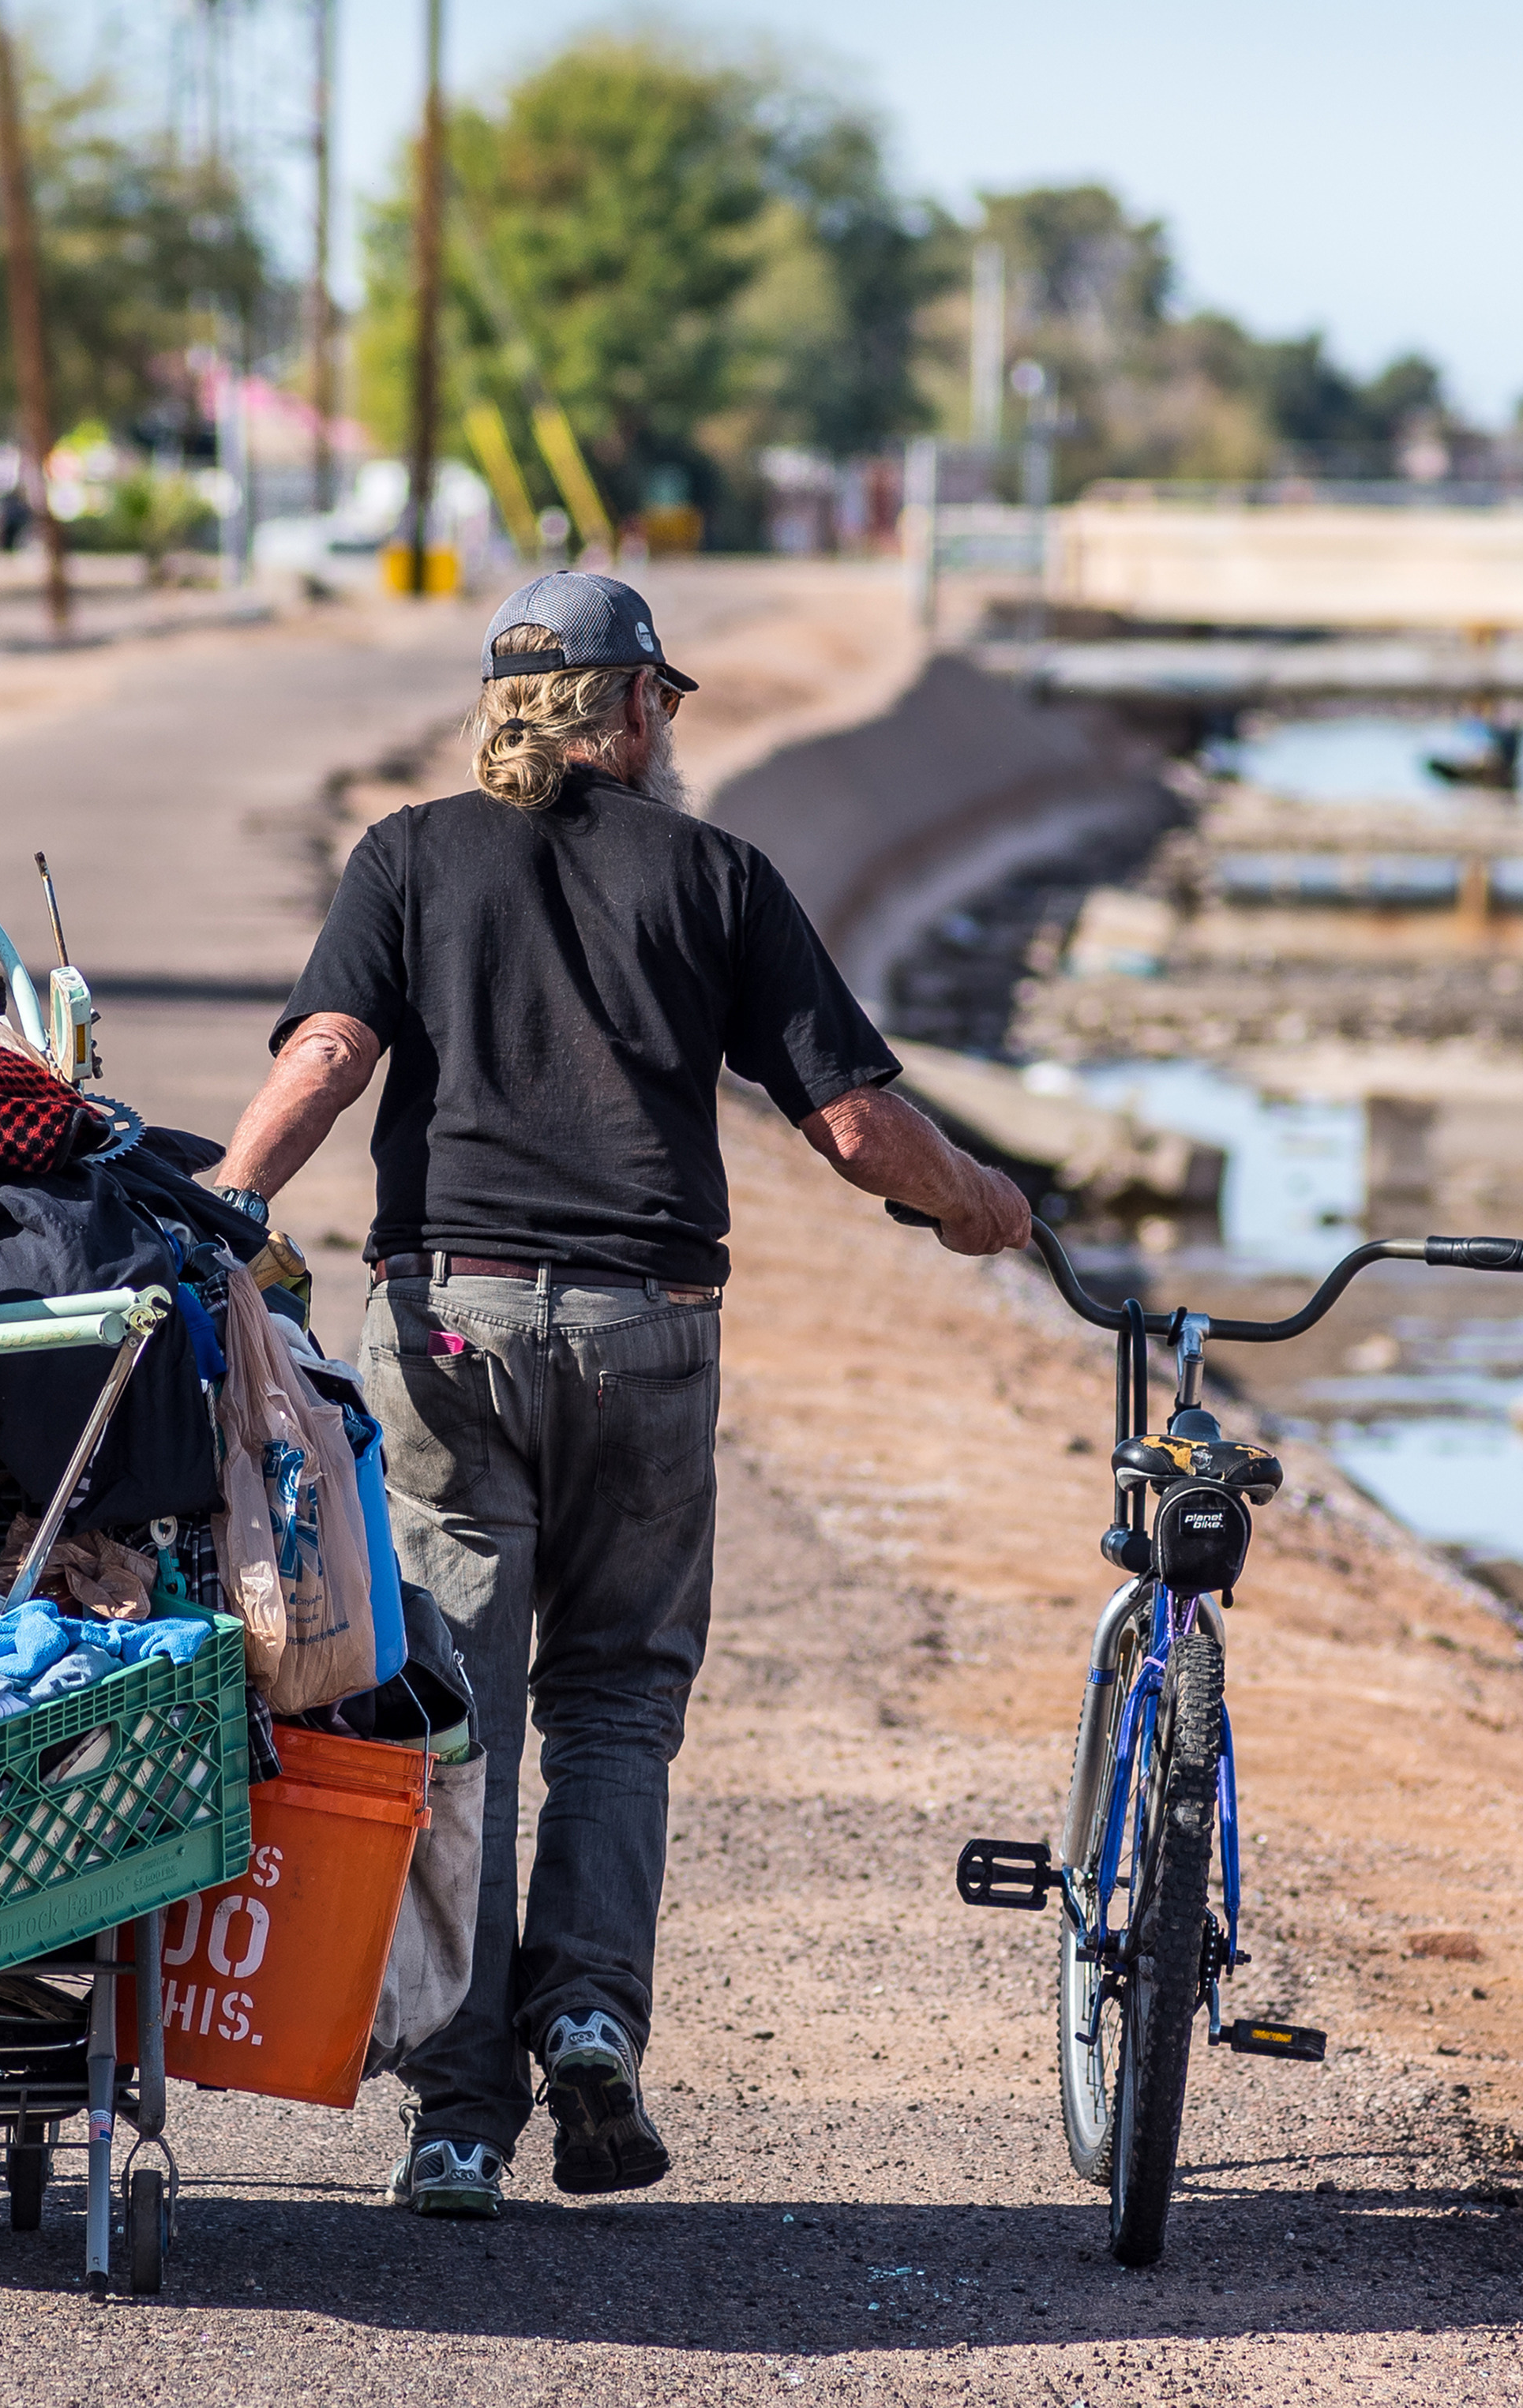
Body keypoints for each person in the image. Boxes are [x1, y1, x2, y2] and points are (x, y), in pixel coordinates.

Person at [208, 572, 1033, 2220]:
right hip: (648, 1333)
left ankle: (454, 2120)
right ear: (634, 706)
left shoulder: (408, 855)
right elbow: (855, 1126)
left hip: (445, 1329)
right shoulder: (714, 875)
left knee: (456, 1719)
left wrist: (222, 1209)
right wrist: (977, 1206)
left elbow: (323, 1064)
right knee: (614, 1702)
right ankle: (582, 2010)